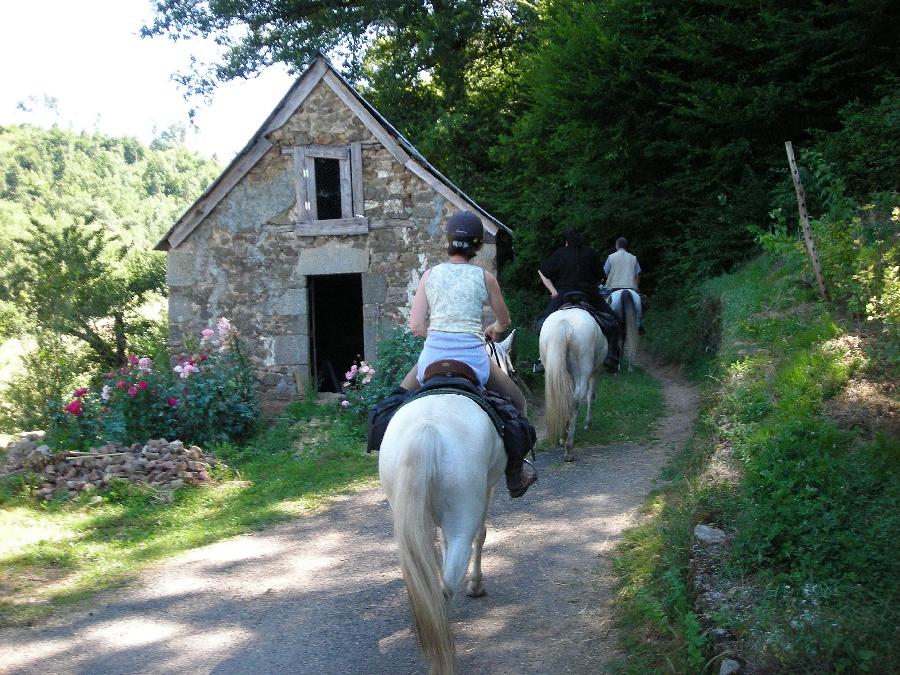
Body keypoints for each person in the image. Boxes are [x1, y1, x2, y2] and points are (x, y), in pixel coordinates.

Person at [398, 210, 536, 497]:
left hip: (431, 359)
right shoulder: (485, 277)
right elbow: (504, 320)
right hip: (474, 361)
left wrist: (437, 335)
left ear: (449, 242)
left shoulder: (429, 276)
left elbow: (415, 326)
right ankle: (515, 474)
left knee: (393, 403)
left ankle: (390, 461)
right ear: (477, 246)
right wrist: (493, 328)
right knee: (517, 402)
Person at [534, 228, 620, 372]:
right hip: (589, 294)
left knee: (541, 322)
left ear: (566, 241)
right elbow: (601, 277)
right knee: (613, 320)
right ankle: (611, 356)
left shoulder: (560, 253)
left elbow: (542, 272)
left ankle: (542, 359)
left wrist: (553, 291)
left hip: (563, 295)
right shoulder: (590, 253)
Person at [603, 236, 644, 334]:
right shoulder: (633, 258)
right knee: (642, 303)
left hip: (614, 289)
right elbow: (637, 274)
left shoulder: (611, 257)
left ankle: (607, 325)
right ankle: (639, 325)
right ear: (626, 246)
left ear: (617, 246)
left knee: (604, 307)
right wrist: (637, 287)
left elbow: (605, 273)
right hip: (631, 288)